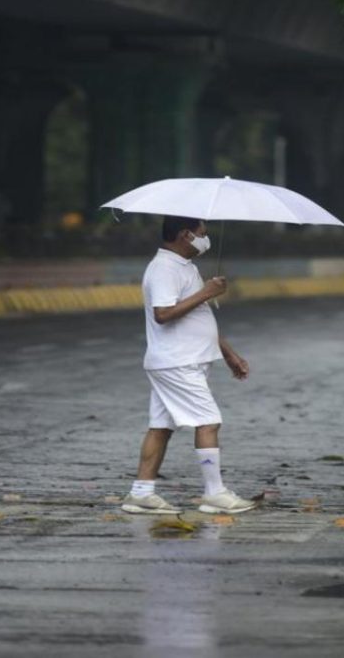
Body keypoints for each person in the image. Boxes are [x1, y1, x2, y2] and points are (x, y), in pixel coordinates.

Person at [121, 215, 257, 516]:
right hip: (177, 362)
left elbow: (199, 317)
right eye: (202, 233)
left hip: (182, 360)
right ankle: (215, 493)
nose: (206, 239)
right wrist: (206, 292)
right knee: (208, 421)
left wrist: (229, 354)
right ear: (185, 235)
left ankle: (141, 493)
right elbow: (163, 313)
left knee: (161, 427)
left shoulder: (185, 267)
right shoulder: (164, 268)